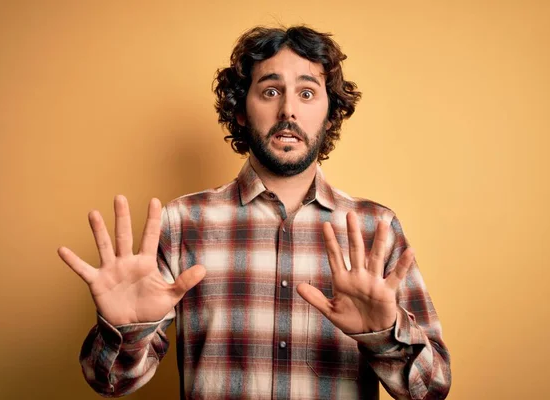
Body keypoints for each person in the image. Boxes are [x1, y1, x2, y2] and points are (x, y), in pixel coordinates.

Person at [58, 25, 451, 400]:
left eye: (308, 93)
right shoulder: (181, 223)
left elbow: (431, 389)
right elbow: (108, 382)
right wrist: (127, 330)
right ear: (241, 110)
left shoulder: (374, 229)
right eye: (270, 91)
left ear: (331, 114)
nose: (288, 111)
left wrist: (385, 335)